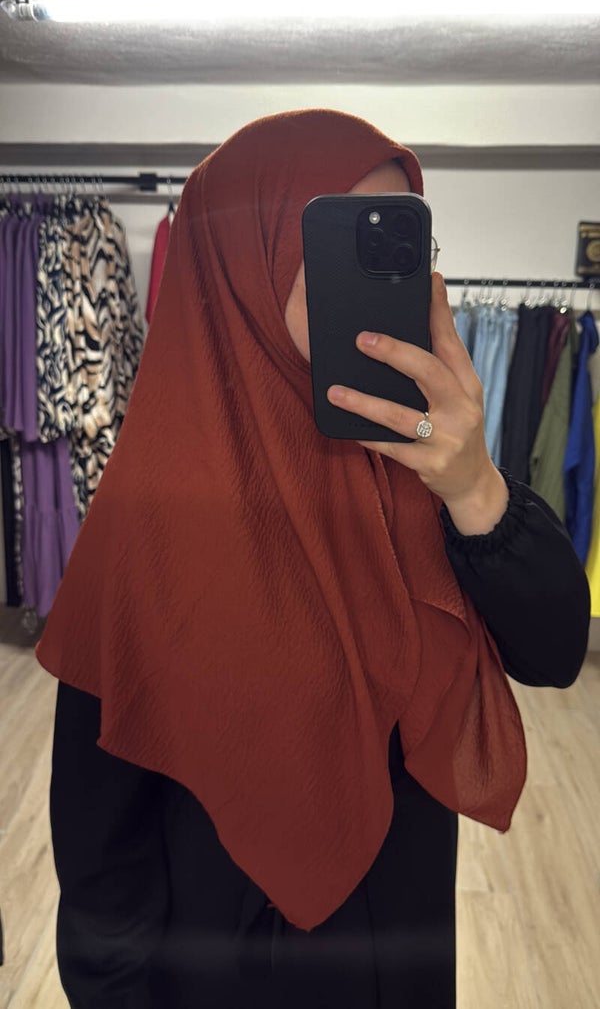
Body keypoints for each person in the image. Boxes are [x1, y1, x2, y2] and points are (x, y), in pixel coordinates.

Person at [37, 109, 590, 1009]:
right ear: (241, 266)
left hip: (402, 955)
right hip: (218, 981)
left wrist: (478, 488)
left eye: (401, 244)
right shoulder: (147, 526)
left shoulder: (423, 472)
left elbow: (556, 652)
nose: (383, 281)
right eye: (341, 246)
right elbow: (103, 867)